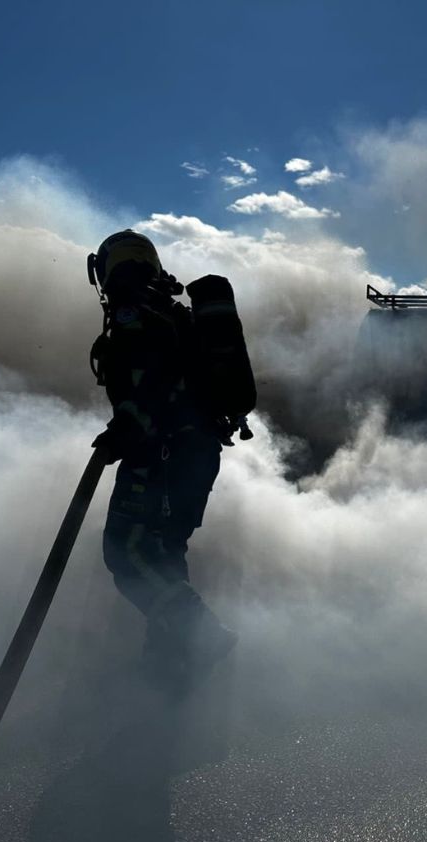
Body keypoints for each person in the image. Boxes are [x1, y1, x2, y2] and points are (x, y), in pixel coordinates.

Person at [87, 230, 247, 681]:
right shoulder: (176, 311)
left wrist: (126, 428)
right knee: (164, 553)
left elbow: (152, 379)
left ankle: (200, 634)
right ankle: (172, 664)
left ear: (105, 268)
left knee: (126, 551)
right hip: (196, 455)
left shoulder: (135, 311)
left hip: (162, 454)